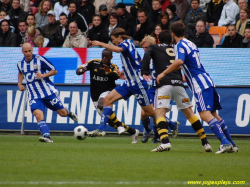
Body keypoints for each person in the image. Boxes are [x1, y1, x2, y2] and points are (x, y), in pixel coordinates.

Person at [157, 21, 238, 154]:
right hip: (207, 80)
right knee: (214, 115)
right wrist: (185, 76)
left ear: (172, 34)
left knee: (204, 114)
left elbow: (179, 61)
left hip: (199, 84)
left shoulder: (179, 45)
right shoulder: (191, 43)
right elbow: (189, 63)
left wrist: (164, 73)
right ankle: (232, 144)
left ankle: (224, 142)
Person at [141, 31, 212, 152]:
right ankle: (205, 143)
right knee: (190, 114)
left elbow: (147, 54)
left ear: (158, 40)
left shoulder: (154, 47)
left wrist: (145, 71)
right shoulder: (176, 48)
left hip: (164, 85)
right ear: (171, 40)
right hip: (179, 84)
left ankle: (165, 142)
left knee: (159, 114)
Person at [91, 28, 155, 139]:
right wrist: (124, 71)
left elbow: (118, 49)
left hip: (138, 84)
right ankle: (101, 128)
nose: (113, 42)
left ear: (120, 37)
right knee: (107, 100)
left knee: (149, 112)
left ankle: (170, 124)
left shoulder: (126, 43)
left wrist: (101, 43)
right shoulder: (129, 44)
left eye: (113, 39)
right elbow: (138, 61)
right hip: (128, 83)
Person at [17, 43, 78, 143]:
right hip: (34, 95)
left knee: (62, 113)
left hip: (48, 93)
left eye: (29, 51)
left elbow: (54, 71)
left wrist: (43, 75)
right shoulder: (20, 64)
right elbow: (20, 72)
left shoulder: (40, 59)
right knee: (38, 115)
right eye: (26, 51)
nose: (28, 53)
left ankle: (68, 112)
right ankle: (47, 136)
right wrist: (19, 84)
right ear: (22, 52)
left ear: (32, 50)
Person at [76, 49, 140, 143]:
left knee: (102, 104)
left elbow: (115, 76)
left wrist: (109, 71)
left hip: (108, 91)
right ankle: (132, 131)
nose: (105, 58)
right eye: (103, 56)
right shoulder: (93, 62)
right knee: (110, 121)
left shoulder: (114, 67)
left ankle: (103, 128)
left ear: (111, 57)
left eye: (107, 56)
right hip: (95, 95)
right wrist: (81, 70)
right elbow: (78, 70)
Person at [140, 35, 180, 143]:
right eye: (143, 48)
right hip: (149, 88)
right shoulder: (145, 57)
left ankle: (157, 136)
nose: (145, 50)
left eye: (147, 47)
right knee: (145, 112)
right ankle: (151, 130)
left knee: (154, 112)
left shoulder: (159, 56)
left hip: (160, 87)